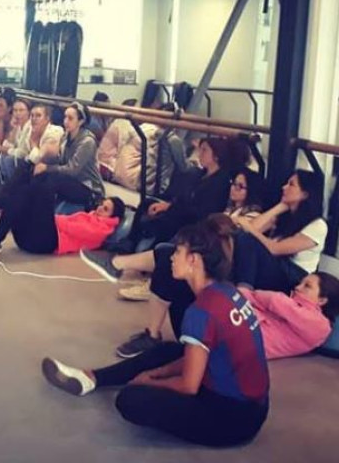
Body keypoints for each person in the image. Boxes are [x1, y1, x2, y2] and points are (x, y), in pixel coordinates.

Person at [41, 219, 270, 447]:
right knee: (169, 351)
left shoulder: (200, 311)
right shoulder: (226, 291)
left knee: (131, 400)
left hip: (232, 418)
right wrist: (158, 372)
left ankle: (100, 380)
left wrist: (149, 382)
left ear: (193, 260)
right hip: (255, 407)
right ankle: (91, 378)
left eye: (177, 252)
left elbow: (188, 386)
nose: (172, 257)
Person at [81, 166, 265, 295]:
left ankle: (119, 264)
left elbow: (235, 237)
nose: (233, 189)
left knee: (170, 250)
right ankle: (121, 260)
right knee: (170, 248)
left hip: (217, 258)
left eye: (240, 186)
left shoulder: (251, 215)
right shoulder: (228, 207)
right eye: (234, 183)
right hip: (210, 250)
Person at [113, 137, 238, 254]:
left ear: (216, 156)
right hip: (181, 210)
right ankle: (131, 241)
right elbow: (183, 197)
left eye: (204, 150)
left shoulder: (220, 182)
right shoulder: (199, 174)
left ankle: (151, 250)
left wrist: (170, 207)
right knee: (146, 203)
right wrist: (168, 204)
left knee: (171, 220)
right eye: (200, 150)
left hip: (193, 221)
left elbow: (201, 211)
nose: (200, 154)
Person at [232, 170, 327, 293]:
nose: (284, 187)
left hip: (295, 276)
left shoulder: (318, 225)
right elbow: (252, 227)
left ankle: (244, 290)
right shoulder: (285, 216)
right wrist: (279, 207)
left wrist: (249, 228)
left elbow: (275, 249)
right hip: (276, 266)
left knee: (247, 241)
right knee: (240, 238)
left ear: (304, 194)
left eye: (291, 184)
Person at [0, 186, 125, 258]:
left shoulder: (101, 231)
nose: (100, 208)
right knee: (22, 196)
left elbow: (70, 227)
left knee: (44, 190)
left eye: (105, 209)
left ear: (113, 217)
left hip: (47, 243)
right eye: (102, 204)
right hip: (28, 240)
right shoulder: (90, 216)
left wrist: (48, 217)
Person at [0, 103, 63, 216]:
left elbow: (36, 158)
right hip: (37, 167)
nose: (34, 119)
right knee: (19, 166)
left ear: (47, 119)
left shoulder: (54, 132)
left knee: (18, 166)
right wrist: (15, 130)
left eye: (38, 116)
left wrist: (34, 142)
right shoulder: (31, 130)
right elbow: (26, 154)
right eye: (32, 115)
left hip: (52, 169)